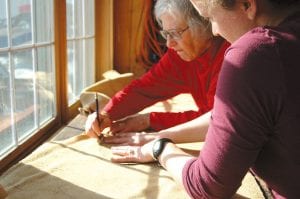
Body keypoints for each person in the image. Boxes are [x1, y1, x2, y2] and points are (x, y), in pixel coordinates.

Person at [110, 0, 300, 198]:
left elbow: (208, 188)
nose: (215, 31)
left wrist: (161, 149)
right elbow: (229, 118)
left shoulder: (254, 53)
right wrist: (111, 114)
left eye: (210, 18)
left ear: (247, 5)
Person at [85, 0, 229, 145]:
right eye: (166, 34)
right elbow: (144, 89)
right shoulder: (180, 55)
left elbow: (213, 120)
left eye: (174, 33)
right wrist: (106, 114)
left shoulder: (229, 57)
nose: (169, 44)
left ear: (203, 24)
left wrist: (148, 120)